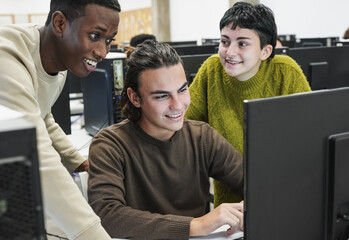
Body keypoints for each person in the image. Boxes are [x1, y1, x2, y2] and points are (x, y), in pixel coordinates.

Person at [87, 39, 244, 240]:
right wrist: (196, 225)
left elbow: (251, 184)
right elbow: (108, 216)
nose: (178, 105)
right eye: (162, 96)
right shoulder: (110, 145)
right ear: (135, 98)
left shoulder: (202, 137)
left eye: (182, 90)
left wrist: (249, 208)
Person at [0, 0, 121, 239]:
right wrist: (93, 234)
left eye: (108, 40)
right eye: (95, 35)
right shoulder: (7, 57)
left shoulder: (60, 62)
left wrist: (78, 162)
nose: (102, 51)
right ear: (59, 23)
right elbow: (36, 151)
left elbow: (41, 115)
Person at [185, 2, 312, 207]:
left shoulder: (286, 72)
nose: (230, 52)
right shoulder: (211, 70)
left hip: (281, 200)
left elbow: (309, 143)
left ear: (265, 51)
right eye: (225, 42)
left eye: (242, 44)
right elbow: (185, 127)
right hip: (228, 209)